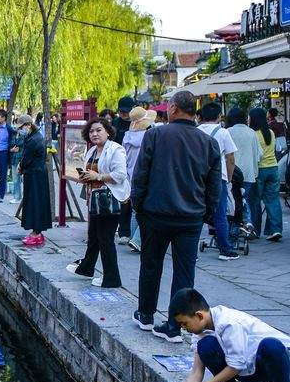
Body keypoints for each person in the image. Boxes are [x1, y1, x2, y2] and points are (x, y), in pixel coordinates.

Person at [130, 89, 222, 341]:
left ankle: (146, 314)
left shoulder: (156, 134)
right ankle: (174, 326)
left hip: (156, 213)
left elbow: (140, 175)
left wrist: (138, 206)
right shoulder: (209, 143)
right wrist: (207, 213)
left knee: (151, 264)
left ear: (173, 109)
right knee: (184, 272)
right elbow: (215, 186)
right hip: (191, 217)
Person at [170, 287, 290, 382]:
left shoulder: (229, 323)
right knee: (206, 346)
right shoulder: (201, 331)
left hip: (278, 363)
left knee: (271, 345)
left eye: (184, 323)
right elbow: (197, 370)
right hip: (249, 368)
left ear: (199, 315)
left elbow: (236, 367)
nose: (184, 328)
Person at [65, 115, 130, 288]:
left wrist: (98, 176)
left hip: (110, 199)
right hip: (95, 199)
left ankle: (112, 278)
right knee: (94, 236)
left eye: (99, 130)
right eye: (92, 131)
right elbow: (91, 173)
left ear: (108, 132)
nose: (95, 134)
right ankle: (87, 268)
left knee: (105, 239)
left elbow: (120, 175)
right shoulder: (92, 151)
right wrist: (86, 177)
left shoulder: (116, 150)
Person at [197, 102, 239, 259]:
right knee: (219, 214)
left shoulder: (195, 131)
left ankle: (191, 251)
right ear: (219, 116)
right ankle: (225, 250)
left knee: (196, 213)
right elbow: (230, 158)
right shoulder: (223, 132)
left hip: (198, 177)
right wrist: (228, 178)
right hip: (217, 177)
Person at [118, 107, 155, 251]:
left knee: (135, 210)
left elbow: (123, 157)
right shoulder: (149, 135)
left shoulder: (127, 136)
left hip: (129, 175)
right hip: (145, 175)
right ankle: (137, 239)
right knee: (146, 209)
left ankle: (134, 238)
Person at [16, 113, 52, 248]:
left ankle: (36, 233)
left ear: (29, 125)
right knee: (36, 202)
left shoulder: (34, 139)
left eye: (22, 127)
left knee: (35, 203)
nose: (21, 130)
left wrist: (20, 166)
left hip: (35, 174)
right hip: (35, 173)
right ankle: (36, 231)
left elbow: (26, 158)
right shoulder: (34, 136)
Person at [250, 106, 283, 241]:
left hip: (259, 170)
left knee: (255, 201)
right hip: (273, 168)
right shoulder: (270, 132)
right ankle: (275, 230)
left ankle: (255, 230)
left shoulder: (253, 134)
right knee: (273, 200)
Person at [227, 105, 259, 238]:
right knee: (244, 199)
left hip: (232, 174)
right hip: (248, 173)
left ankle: (236, 228)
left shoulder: (227, 131)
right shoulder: (252, 133)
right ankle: (247, 223)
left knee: (234, 202)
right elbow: (258, 155)